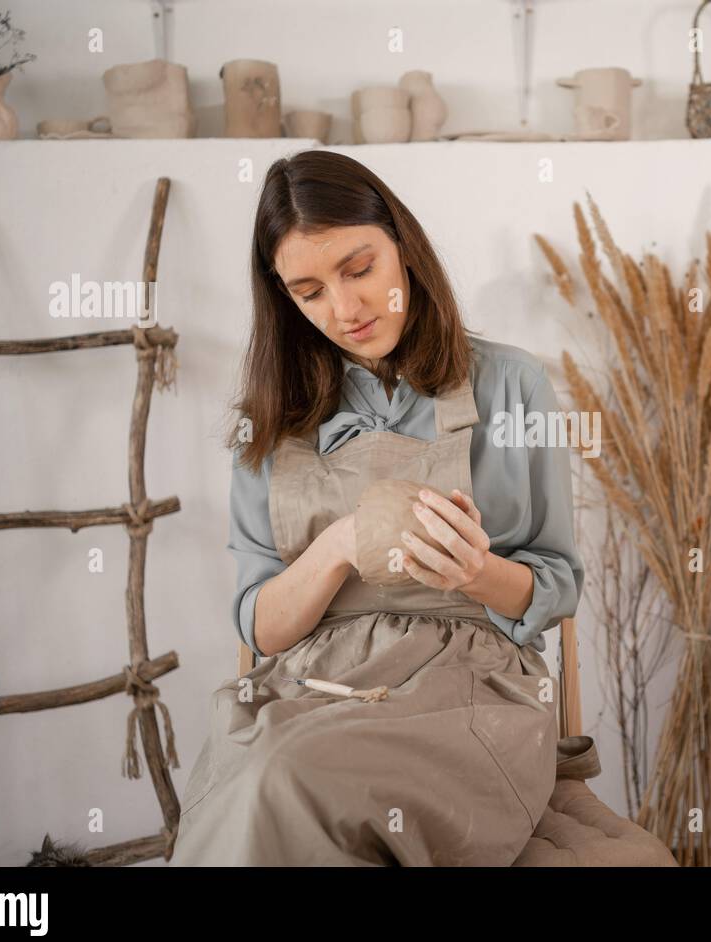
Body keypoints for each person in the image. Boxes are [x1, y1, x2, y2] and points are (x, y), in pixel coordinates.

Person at [168, 150, 584, 866]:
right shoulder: (271, 421)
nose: (346, 309)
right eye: (309, 291)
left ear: (404, 248)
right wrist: (338, 545)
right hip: (314, 688)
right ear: (285, 301)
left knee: (286, 778)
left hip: (473, 690)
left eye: (359, 269)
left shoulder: (513, 384)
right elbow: (262, 627)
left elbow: (557, 583)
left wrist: (476, 572)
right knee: (270, 772)